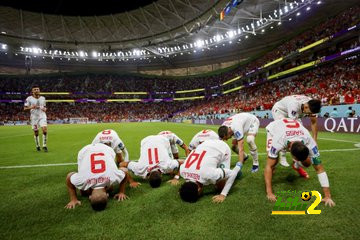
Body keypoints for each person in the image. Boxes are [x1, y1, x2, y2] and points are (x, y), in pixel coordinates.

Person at [264, 118, 335, 207]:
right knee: (273, 164)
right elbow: (268, 166)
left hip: (292, 131)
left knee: (308, 163)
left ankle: (296, 165)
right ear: (290, 152)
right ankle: (269, 187)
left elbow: (320, 168)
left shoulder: (309, 141)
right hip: (274, 129)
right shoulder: (278, 142)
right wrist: (269, 193)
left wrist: (327, 196)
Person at [65, 143, 130, 211]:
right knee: (83, 190)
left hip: (102, 150)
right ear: (90, 197)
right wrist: (121, 192)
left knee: (83, 191)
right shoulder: (82, 181)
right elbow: (69, 176)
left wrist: (73, 199)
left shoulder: (112, 177)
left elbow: (125, 171)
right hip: (89, 151)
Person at [179, 139, 240, 203]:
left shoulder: (209, 174)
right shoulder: (182, 171)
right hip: (205, 144)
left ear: (199, 190)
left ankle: (238, 167)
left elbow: (232, 174)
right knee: (213, 177)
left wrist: (223, 194)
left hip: (222, 147)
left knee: (221, 186)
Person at [271, 95, 321, 167]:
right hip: (279, 111)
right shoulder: (294, 105)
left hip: (295, 113)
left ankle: (297, 161)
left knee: (300, 133)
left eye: (310, 114)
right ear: (306, 107)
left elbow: (314, 122)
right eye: (308, 113)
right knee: (287, 132)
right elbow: (292, 127)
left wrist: (314, 140)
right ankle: (283, 156)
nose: (308, 115)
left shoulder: (312, 105)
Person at [24, 86, 48, 152]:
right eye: (35, 89)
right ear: (32, 91)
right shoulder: (29, 98)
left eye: (38, 89)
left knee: (44, 130)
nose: (37, 90)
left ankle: (44, 145)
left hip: (42, 115)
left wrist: (45, 109)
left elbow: (45, 107)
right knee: (36, 132)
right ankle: (37, 146)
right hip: (34, 117)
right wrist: (31, 107)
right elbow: (25, 108)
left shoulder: (43, 98)